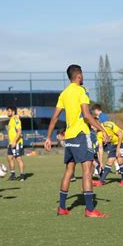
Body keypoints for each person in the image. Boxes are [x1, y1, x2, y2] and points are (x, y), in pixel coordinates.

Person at [45, 64, 110, 218]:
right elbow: (87, 115)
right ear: (79, 75)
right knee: (87, 171)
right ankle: (89, 210)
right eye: (82, 74)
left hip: (69, 137)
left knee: (69, 171)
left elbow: (54, 117)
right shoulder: (81, 90)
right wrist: (103, 129)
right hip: (81, 135)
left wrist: (48, 137)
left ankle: (62, 207)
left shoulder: (64, 93)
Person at [93, 120, 123, 187]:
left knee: (120, 160)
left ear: (97, 124)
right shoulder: (98, 134)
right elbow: (100, 148)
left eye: (93, 125)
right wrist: (101, 163)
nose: (92, 128)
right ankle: (101, 181)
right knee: (109, 161)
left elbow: (120, 134)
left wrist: (118, 148)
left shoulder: (108, 125)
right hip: (114, 144)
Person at [6, 106, 25, 181]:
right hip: (11, 143)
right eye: (7, 111)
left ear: (13, 112)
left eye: (9, 111)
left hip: (16, 143)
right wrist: (10, 142)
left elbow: (19, 132)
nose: (7, 112)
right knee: (9, 158)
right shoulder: (11, 120)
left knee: (18, 159)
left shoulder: (16, 119)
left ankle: (22, 176)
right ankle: (13, 175)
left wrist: (14, 141)